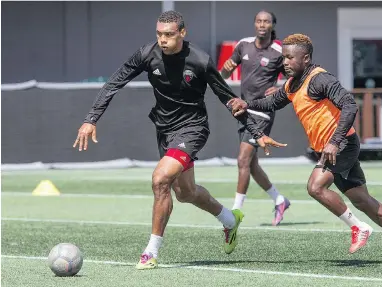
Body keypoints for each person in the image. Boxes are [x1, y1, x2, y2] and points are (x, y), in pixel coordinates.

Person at [72, 11, 286, 270]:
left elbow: (228, 99)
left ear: (182, 33)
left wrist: (257, 132)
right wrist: (91, 119)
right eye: (159, 34)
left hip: (193, 129)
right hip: (164, 129)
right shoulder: (146, 54)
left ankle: (150, 252)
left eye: (169, 35)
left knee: (160, 179)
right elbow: (114, 83)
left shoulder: (200, 60)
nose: (162, 40)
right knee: (186, 193)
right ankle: (230, 220)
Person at [228, 33, 382, 264]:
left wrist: (335, 141)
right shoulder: (292, 84)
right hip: (331, 148)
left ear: (306, 58)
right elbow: (272, 102)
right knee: (362, 200)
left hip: (342, 145)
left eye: (290, 58)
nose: (285, 62)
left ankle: (358, 227)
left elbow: (349, 106)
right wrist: (247, 104)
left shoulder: (320, 79)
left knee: (315, 186)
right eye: (284, 58)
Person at [220, 10, 290, 226]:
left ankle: (235, 212)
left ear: (272, 25)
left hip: (263, 113)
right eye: (259, 21)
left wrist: (279, 88)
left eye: (266, 21)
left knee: (242, 160)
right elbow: (222, 74)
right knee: (251, 165)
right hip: (243, 110)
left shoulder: (279, 50)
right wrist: (225, 70)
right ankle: (279, 200)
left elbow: (293, 79)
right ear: (254, 24)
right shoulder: (243, 45)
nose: (262, 24)